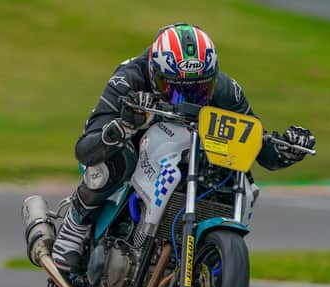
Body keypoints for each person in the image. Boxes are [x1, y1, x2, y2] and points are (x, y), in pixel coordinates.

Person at [53, 23, 316, 272]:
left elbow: (256, 146)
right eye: (177, 91)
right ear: (154, 74)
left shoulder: (226, 90)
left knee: (232, 169)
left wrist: (285, 150)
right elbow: (86, 148)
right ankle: (76, 224)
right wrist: (125, 124)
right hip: (140, 145)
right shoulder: (129, 77)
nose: (189, 100)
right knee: (115, 161)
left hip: (189, 149)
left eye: (200, 91)